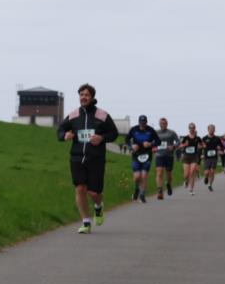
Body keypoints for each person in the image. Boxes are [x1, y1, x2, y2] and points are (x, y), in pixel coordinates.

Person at [57, 84, 120, 233]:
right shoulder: (74, 115)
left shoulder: (102, 115)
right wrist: (64, 136)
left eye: (86, 95)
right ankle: (86, 222)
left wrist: (102, 138)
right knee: (80, 188)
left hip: (96, 159)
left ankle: (98, 207)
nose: (83, 97)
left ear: (92, 97)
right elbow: (60, 129)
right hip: (77, 158)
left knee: (94, 193)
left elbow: (114, 133)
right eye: (81, 95)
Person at [125, 115, 160, 203]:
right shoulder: (134, 129)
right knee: (137, 177)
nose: (142, 125)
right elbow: (127, 139)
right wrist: (131, 146)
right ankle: (137, 189)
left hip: (147, 155)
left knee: (144, 176)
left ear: (146, 123)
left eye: (144, 123)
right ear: (139, 122)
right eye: (141, 123)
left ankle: (142, 194)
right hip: (136, 155)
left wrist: (150, 144)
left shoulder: (151, 130)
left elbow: (158, 141)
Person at [154, 117, 179, 199]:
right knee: (159, 172)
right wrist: (153, 147)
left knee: (169, 175)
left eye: (164, 123)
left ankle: (168, 184)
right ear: (159, 124)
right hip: (159, 155)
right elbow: (151, 141)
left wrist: (173, 146)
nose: (162, 125)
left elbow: (178, 142)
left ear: (167, 124)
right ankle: (160, 191)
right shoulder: (156, 132)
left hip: (169, 156)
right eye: (161, 123)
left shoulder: (171, 133)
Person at [178, 123, 203, 195]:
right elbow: (180, 146)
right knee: (186, 174)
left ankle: (191, 189)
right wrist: (184, 145)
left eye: (193, 128)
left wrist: (200, 146)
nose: (192, 129)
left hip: (194, 157)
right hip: (186, 157)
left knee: (192, 173)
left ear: (195, 129)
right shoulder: (185, 138)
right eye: (190, 128)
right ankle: (186, 181)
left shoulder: (198, 138)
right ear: (189, 129)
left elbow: (203, 145)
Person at [201, 124, 223, 192]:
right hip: (207, 157)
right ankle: (206, 177)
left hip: (214, 157)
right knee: (207, 172)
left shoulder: (217, 138)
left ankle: (210, 185)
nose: (212, 130)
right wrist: (202, 147)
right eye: (210, 129)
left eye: (213, 129)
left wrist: (219, 148)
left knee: (212, 171)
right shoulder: (204, 138)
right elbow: (200, 146)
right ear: (208, 130)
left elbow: (221, 146)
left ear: (214, 130)